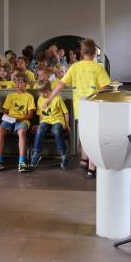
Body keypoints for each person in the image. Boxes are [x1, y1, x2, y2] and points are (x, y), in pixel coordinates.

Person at [45, 39, 110, 179]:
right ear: (94, 53)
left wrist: (49, 99)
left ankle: (84, 159)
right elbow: (105, 89)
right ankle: (91, 168)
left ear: (81, 52)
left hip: (80, 107)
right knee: (93, 137)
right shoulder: (98, 68)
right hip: (94, 107)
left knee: (86, 136)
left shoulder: (75, 67)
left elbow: (60, 85)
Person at [0, 72, 36, 172]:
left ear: (25, 83)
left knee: (21, 132)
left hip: (22, 119)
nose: (18, 85)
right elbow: (6, 111)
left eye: (20, 82)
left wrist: (19, 119)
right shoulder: (10, 96)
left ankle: (22, 162)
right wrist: (5, 114)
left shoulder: (29, 97)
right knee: (0, 130)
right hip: (10, 119)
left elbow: (30, 115)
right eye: (16, 82)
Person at [31, 81, 69, 170]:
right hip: (46, 121)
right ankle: (36, 153)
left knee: (56, 130)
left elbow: (66, 112)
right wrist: (39, 124)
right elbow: (40, 114)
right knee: (40, 129)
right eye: (40, 93)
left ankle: (64, 155)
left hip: (57, 120)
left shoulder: (57, 98)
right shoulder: (40, 99)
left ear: (50, 90)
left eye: (45, 92)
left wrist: (67, 125)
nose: (43, 95)